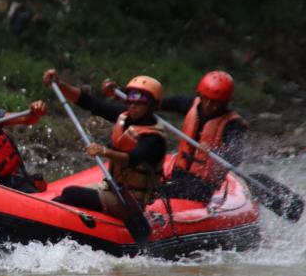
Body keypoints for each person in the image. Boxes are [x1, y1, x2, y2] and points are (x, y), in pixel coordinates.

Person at [42, 69, 167, 219]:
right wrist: (61, 85)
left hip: (130, 202)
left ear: (153, 106)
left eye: (140, 103)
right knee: (62, 198)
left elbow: (132, 159)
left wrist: (104, 151)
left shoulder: (154, 139)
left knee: (71, 193)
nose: (133, 106)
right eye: (130, 101)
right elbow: (91, 103)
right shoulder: (125, 117)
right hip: (112, 188)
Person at [160, 70, 247, 202]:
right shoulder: (188, 104)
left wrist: (214, 151)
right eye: (206, 99)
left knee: (165, 191)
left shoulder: (233, 124)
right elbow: (151, 102)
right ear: (200, 95)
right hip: (178, 174)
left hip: (203, 185)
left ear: (225, 102)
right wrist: (121, 92)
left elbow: (236, 156)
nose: (209, 106)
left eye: (215, 102)